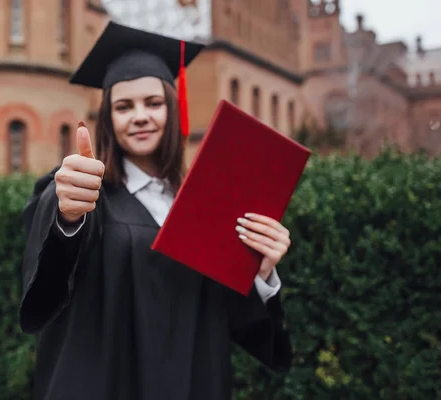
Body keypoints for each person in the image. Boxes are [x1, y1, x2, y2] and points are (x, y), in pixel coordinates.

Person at [20, 21, 293, 400]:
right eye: (124, 106)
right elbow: (53, 258)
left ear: (173, 108)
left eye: (153, 103)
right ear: (109, 120)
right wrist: (66, 213)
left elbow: (233, 317)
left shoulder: (204, 205)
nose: (140, 116)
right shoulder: (89, 196)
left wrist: (261, 272)